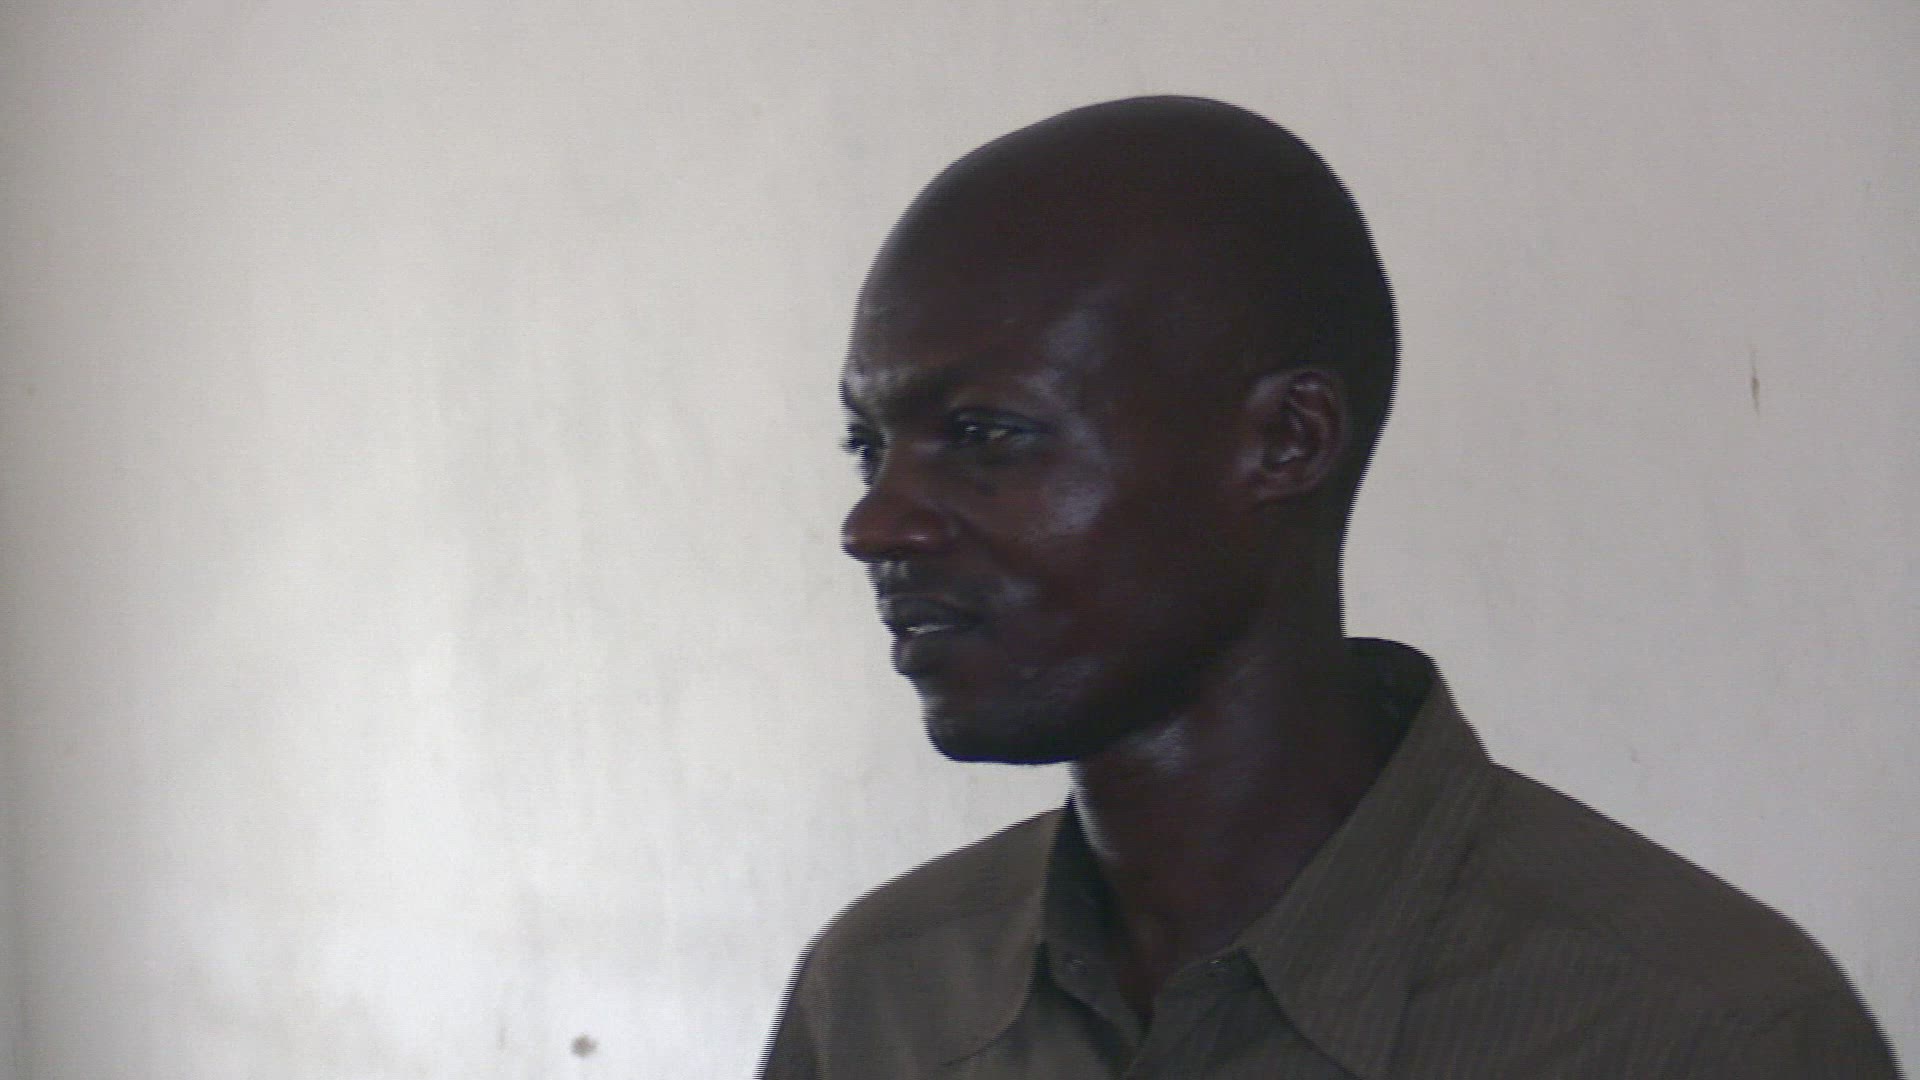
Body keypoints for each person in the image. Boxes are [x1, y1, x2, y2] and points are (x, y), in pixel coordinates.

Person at [761, 97, 1900, 1078]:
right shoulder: (879, 1003)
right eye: (869, 447)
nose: (876, 525)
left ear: (1287, 441)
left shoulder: (1696, 1032)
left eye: (986, 434)